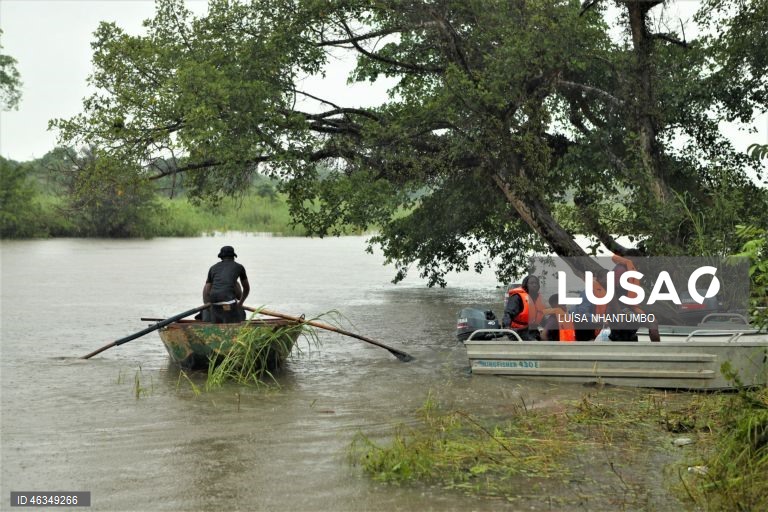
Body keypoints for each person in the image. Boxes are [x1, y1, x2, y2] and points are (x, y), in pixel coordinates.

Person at [203, 245, 250, 324]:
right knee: (238, 321)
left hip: (214, 304)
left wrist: (210, 306)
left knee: (216, 322)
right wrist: (241, 303)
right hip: (229, 304)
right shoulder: (239, 267)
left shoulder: (213, 268)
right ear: (233, 257)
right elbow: (247, 288)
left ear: (221, 257)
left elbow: (207, 290)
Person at [502, 275, 545, 341]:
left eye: (536, 283)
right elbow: (508, 314)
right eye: (531, 283)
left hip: (532, 330)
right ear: (525, 285)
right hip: (518, 331)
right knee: (534, 341)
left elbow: (541, 316)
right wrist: (506, 327)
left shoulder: (537, 298)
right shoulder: (517, 297)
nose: (534, 285)